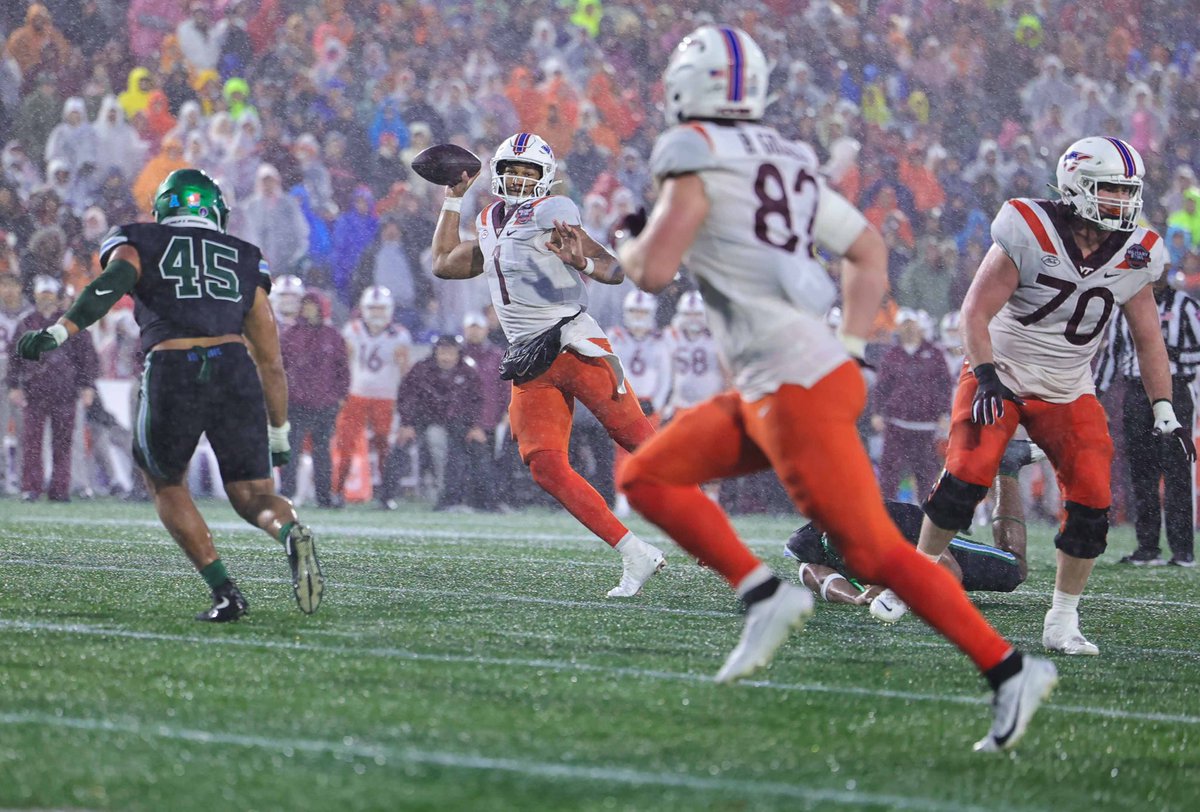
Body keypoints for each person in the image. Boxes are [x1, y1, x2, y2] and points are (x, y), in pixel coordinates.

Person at [614, 25, 1054, 752]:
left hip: (790, 387)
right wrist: (850, 345)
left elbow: (654, 271)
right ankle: (1004, 671)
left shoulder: (689, 149)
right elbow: (869, 248)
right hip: (806, 375)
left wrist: (625, 245)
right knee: (652, 476)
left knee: (657, 480)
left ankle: (771, 597)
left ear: (687, 86)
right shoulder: (784, 157)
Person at [874, 137, 1197, 655]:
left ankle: (1062, 621)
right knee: (965, 476)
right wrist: (985, 375)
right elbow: (974, 312)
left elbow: (1148, 337)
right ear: (1076, 187)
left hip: (1068, 385)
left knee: (1093, 500)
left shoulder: (1138, 251)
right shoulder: (1028, 227)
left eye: (1127, 192)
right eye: (1109, 190)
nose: (1122, 203)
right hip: (1000, 367)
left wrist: (1166, 412)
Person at [16, 168, 324, 622]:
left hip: (174, 367)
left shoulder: (141, 239)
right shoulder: (244, 255)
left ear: (165, 207)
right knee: (252, 496)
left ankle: (226, 593)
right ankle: (289, 530)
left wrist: (61, 331)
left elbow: (110, 284)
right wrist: (279, 432)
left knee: (166, 482)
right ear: (215, 210)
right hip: (234, 370)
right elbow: (270, 359)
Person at [430, 131, 666, 598]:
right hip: (530, 357)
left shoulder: (551, 211)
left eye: (528, 171)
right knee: (544, 465)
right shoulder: (489, 221)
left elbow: (613, 269)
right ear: (497, 175)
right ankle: (634, 553)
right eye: (512, 170)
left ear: (546, 178)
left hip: (574, 343)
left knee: (639, 440)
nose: (519, 179)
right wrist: (452, 200)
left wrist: (584, 261)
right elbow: (442, 263)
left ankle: (708, 523)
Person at [786, 441, 1040, 606]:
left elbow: (950, 576)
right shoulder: (809, 539)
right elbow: (814, 576)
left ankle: (1006, 465)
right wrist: (857, 598)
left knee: (1015, 570)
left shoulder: (898, 521)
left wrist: (899, 591)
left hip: (927, 560)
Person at [1096, 271, 1200, 567]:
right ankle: (1147, 547)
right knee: (1142, 473)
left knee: (1177, 472)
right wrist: (1094, 393)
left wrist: (1168, 358)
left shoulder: (1185, 306)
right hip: (1136, 395)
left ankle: (1182, 551)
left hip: (1174, 391)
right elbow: (1112, 355)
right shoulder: (1124, 306)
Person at [8, 275, 97, 502]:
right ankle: (31, 487)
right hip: (34, 390)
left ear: (58, 298)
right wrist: (13, 385)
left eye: (49, 295)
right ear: (35, 297)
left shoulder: (70, 324)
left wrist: (87, 385)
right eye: (42, 295)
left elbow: (86, 356)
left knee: (63, 443)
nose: (46, 299)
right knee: (31, 442)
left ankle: (60, 488)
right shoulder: (25, 323)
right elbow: (14, 357)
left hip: (64, 391)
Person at [333, 285, 410, 508]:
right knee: (345, 443)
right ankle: (337, 491)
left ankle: (386, 495)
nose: (377, 314)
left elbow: (405, 371)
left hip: (387, 398)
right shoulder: (352, 329)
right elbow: (342, 365)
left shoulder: (400, 335)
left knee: (385, 446)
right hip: (356, 396)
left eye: (381, 309)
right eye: (373, 309)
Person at [870, 307, 953, 502]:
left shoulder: (934, 353)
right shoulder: (892, 355)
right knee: (890, 471)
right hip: (897, 423)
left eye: (911, 324)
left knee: (926, 472)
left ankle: (925, 514)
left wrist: (943, 413)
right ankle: (888, 510)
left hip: (926, 424)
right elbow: (882, 386)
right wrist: (877, 413)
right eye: (904, 325)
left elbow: (944, 385)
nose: (908, 329)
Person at [280, 290, 350, 508]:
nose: (309, 309)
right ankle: (286, 494)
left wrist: (340, 395)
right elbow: (280, 366)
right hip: (296, 402)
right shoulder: (290, 334)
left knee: (323, 453)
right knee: (291, 451)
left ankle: (324, 496)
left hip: (324, 403)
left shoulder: (333, 336)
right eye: (306, 304)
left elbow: (342, 369)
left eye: (313, 305)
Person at [608, 289, 672, 516]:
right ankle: (623, 497)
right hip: (625, 399)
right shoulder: (615, 336)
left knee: (650, 452)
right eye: (634, 311)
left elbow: (665, 375)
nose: (638, 316)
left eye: (642, 311)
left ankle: (648, 497)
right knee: (623, 452)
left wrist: (658, 402)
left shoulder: (660, 339)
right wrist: (616, 397)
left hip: (649, 402)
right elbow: (610, 371)